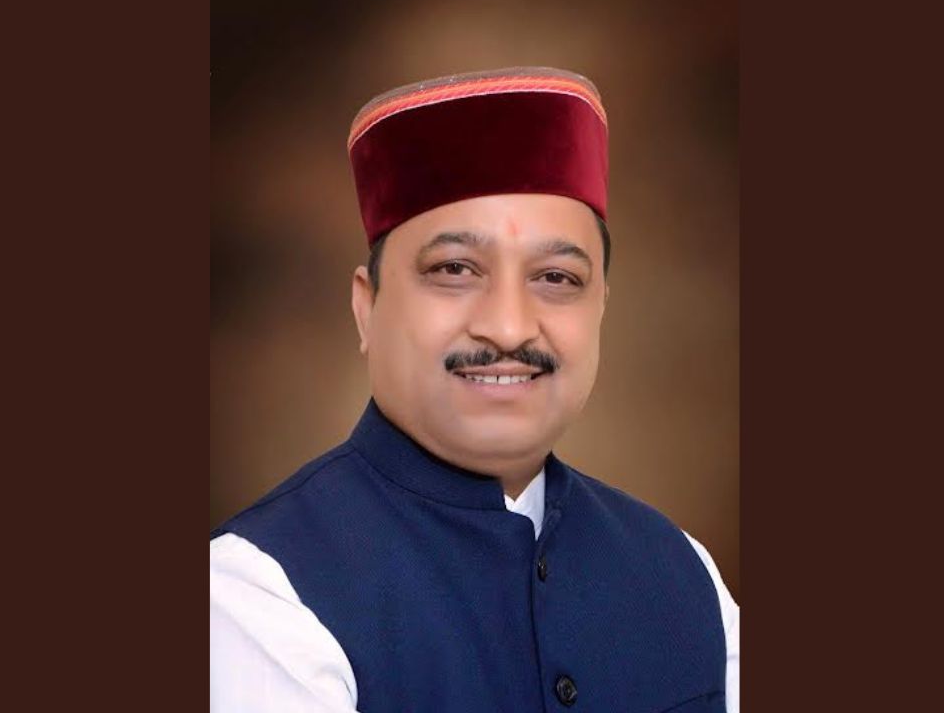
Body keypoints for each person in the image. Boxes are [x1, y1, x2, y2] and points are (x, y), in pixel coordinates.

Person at [210, 66, 739, 713]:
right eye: (455, 269)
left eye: (556, 278)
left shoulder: (685, 576)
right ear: (366, 309)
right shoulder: (259, 595)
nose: (509, 327)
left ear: (601, 305)